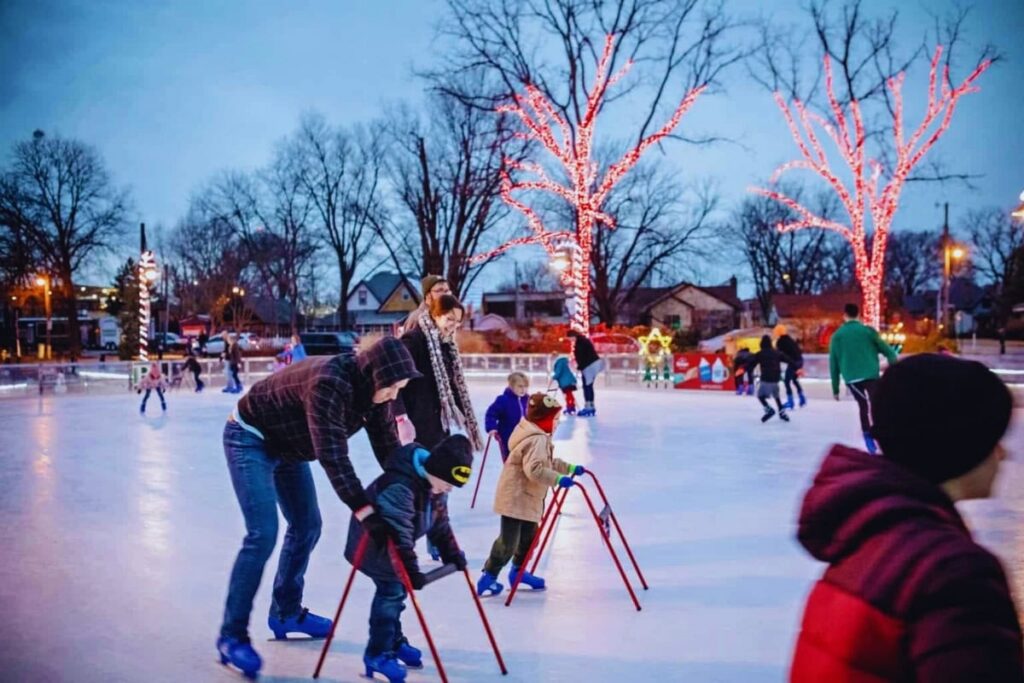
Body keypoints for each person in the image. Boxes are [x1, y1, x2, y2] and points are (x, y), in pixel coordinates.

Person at [791, 354, 1022, 681]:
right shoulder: (952, 573)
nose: (1004, 453)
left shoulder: (870, 541)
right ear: (960, 447)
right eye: (993, 440)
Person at [216, 338, 422, 679]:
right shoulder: (329, 384)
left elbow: (389, 450)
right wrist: (366, 512)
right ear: (375, 375)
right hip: (250, 437)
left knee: (307, 525)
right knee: (263, 533)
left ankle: (285, 612)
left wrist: (415, 483)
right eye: (391, 387)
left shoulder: (375, 395)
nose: (393, 395)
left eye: (399, 389)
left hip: (289, 446)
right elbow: (333, 457)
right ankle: (231, 635)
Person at [344, 435, 473, 683]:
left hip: (395, 546)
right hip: (374, 545)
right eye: (447, 483)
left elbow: (440, 523)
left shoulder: (435, 486)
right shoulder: (401, 487)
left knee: (396, 594)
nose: (449, 489)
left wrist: (451, 553)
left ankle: (392, 641)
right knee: (391, 594)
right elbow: (399, 536)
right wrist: (412, 571)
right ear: (435, 470)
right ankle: (378, 653)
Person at [477, 393, 583, 597]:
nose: (558, 423)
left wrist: (569, 468)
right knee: (508, 543)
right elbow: (535, 470)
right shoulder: (537, 440)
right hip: (515, 498)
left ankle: (518, 573)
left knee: (530, 538)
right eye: (555, 419)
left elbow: (547, 462)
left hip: (527, 499)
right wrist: (558, 479)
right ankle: (489, 576)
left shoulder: (536, 435)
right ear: (544, 419)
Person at [394, 294, 484, 453]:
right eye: (450, 319)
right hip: (413, 422)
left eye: (458, 322)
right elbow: (394, 380)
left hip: (437, 423)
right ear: (436, 315)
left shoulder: (445, 344)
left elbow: (452, 385)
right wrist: (401, 418)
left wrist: (468, 421)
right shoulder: (413, 340)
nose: (454, 326)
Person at [829, 303, 898, 453]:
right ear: (859, 315)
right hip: (871, 375)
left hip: (852, 379)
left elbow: (833, 364)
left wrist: (835, 388)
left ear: (844, 316)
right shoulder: (868, 332)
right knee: (876, 403)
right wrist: (894, 371)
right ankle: (881, 432)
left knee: (863, 405)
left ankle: (868, 435)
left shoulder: (837, 336)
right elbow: (890, 353)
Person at [484, 372, 530, 461]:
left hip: (526, 436)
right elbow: (491, 414)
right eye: (520, 386)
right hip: (508, 437)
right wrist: (492, 427)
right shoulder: (503, 400)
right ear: (511, 386)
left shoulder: (528, 400)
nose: (523, 389)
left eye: (526, 386)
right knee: (511, 460)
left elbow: (535, 415)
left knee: (526, 460)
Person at [747, 335, 790, 423]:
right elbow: (788, 359)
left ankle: (769, 410)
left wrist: (745, 369)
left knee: (760, 396)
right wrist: (797, 366)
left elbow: (751, 363)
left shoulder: (760, 354)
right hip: (776, 378)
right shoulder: (777, 353)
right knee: (776, 396)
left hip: (766, 378)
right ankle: (782, 413)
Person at [566, 330, 603, 417]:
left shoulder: (580, 343)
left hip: (589, 366)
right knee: (589, 386)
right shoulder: (583, 341)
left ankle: (588, 407)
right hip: (592, 365)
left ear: (573, 336)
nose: (570, 340)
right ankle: (591, 406)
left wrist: (580, 367)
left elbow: (582, 356)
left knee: (587, 387)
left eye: (569, 338)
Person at [774, 324, 806, 409]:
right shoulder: (790, 339)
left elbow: (779, 355)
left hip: (793, 362)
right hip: (800, 360)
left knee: (787, 381)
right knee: (794, 380)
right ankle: (802, 398)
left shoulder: (780, 342)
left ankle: (790, 401)